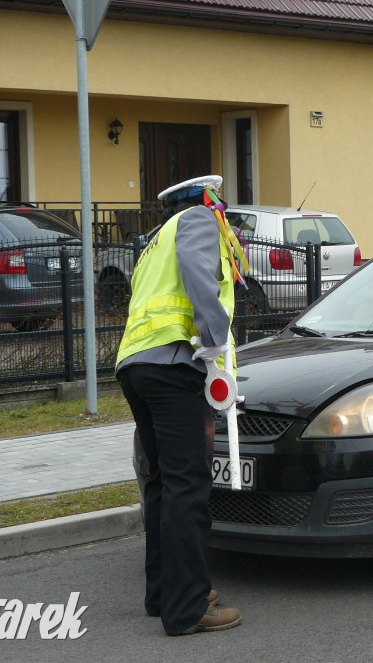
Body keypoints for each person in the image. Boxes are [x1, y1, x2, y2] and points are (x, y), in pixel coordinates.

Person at [116, 174, 247, 635]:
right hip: (174, 364)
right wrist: (213, 341)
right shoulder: (198, 221)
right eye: (221, 204)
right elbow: (196, 272)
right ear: (209, 201)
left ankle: (163, 594)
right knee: (187, 488)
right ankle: (188, 607)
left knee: (160, 485)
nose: (223, 212)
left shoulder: (154, 241)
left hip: (136, 365)